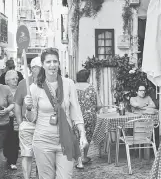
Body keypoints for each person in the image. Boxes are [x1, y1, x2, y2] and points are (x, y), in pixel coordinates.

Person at [24, 47, 88, 179]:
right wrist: (29, 107)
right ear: (43, 65)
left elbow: (76, 111)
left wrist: (82, 134)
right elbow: (31, 118)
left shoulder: (69, 84)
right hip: (43, 141)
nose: (52, 65)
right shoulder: (35, 88)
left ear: (59, 63)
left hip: (65, 140)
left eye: (55, 61)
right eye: (48, 62)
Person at [14, 56, 41, 179]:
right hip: (27, 124)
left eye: (41, 67)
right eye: (37, 67)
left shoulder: (49, 83)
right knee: (26, 154)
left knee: (42, 155)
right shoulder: (23, 83)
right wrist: (20, 123)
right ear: (32, 68)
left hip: (43, 124)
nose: (40, 70)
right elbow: (17, 103)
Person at [74, 69, 103, 169]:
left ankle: (78, 161)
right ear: (87, 77)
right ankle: (84, 157)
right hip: (90, 116)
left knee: (77, 138)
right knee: (87, 137)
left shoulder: (72, 87)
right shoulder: (91, 88)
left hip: (75, 116)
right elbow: (99, 105)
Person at [3, 70, 20, 170]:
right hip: (5, 118)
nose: (15, 80)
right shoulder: (3, 90)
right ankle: (7, 156)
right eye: (13, 79)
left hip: (16, 118)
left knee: (14, 140)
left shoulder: (20, 90)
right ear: (7, 80)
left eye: (16, 78)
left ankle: (13, 161)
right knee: (6, 140)